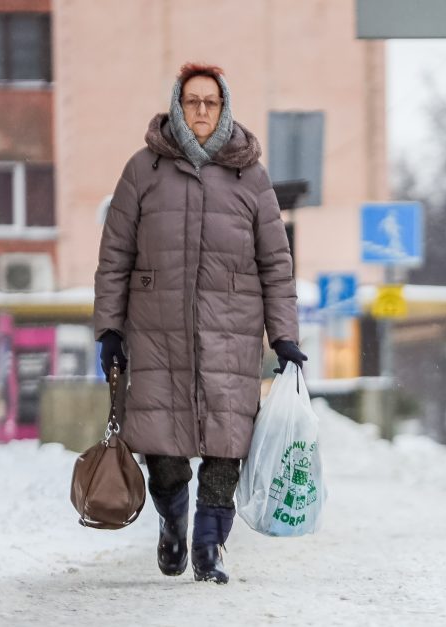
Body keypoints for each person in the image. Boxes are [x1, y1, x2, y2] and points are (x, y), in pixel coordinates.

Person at [93, 62, 306, 584]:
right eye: (193, 101)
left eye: (211, 101)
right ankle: (173, 518)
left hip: (231, 331)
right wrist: (110, 329)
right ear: (178, 105)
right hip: (156, 329)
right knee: (160, 441)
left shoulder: (250, 176)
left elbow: (276, 263)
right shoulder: (143, 170)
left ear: (224, 107)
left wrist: (284, 335)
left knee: (226, 439)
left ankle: (210, 545)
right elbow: (114, 254)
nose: (202, 110)